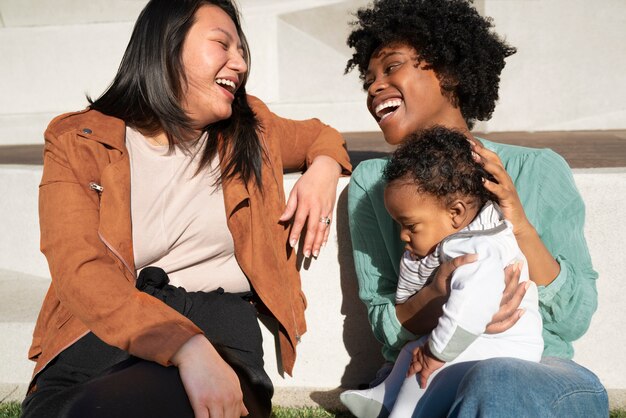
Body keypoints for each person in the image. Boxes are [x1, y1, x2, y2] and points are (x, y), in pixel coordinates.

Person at [21, 1, 351, 417]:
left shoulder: (250, 130)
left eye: (242, 51)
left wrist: (322, 169)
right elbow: (79, 267)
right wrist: (181, 344)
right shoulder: (78, 139)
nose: (240, 62)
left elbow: (321, 135)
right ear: (167, 46)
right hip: (103, 329)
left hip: (216, 328)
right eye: (222, 45)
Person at [345, 0, 608, 416]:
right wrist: (452, 300)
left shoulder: (536, 169)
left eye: (392, 67)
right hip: (431, 367)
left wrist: (518, 224)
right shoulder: (373, 183)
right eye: (368, 79)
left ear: (448, 71)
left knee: (495, 378)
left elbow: (572, 319)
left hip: (539, 369)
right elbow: (388, 327)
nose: (375, 86)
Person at [340, 127, 543, 418]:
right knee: (411, 351)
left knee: (423, 369)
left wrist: (436, 354)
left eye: (410, 226)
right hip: (475, 337)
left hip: (503, 346)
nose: (403, 236)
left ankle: (404, 412)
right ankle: (382, 398)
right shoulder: (460, 237)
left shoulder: (477, 250)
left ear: (456, 213)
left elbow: (468, 311)